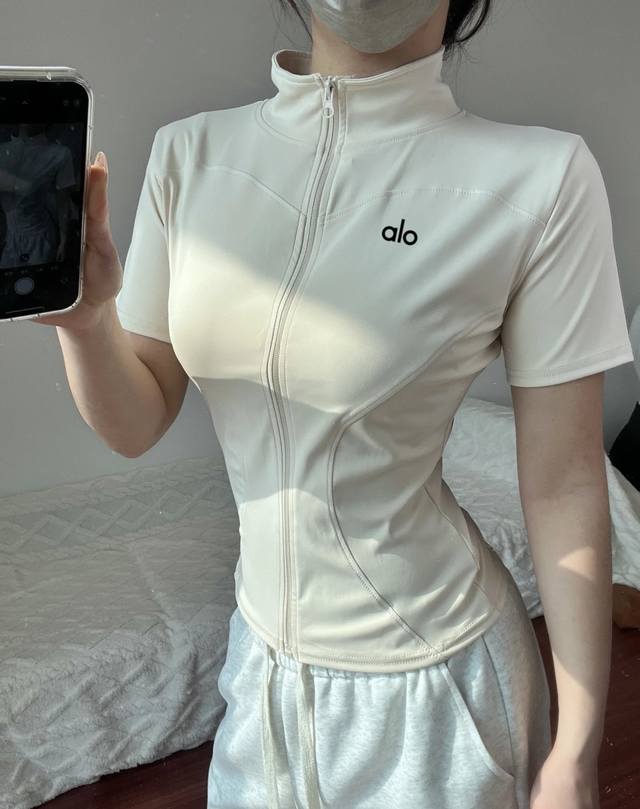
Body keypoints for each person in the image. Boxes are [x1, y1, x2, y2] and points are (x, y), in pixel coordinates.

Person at [41, 1, 635, 807]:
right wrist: (85, 321)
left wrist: (578, 749)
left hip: (440, 692)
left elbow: (565, 482)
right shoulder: (191, 155)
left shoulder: (541, 178)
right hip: (260, 672)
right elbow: (136, 421)